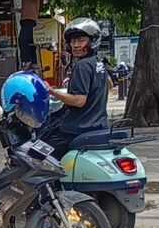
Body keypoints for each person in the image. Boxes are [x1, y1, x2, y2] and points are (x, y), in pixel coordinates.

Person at [40, 17, 109, 159]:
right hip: (98, 125)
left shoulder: (82, 66)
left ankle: (51, 182)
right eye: (73, 41)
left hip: (77, 129)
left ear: (92, 41)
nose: (76, 45)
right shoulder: (98, 63)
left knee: (38, 154)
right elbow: (108, 84)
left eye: (81, 40)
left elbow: (79, 100)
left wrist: (51, 91)